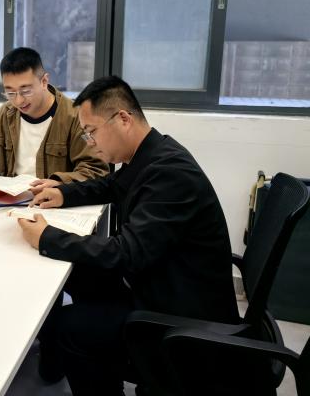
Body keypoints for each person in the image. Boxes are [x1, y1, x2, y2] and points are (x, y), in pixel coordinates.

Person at [17, 75, 238, 396]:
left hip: (179, 314)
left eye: (91, 132)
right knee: (79, 275)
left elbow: (127, 252)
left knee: (70, 327)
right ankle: (65, 360)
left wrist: (47, 237)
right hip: (160, 280)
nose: (89, 143)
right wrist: (64, 192)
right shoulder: (152, 153)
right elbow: (112, 185)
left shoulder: (170, 174)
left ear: (123, 119)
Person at [0, 47, 107, 186]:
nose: (18, 101)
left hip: (52, 200)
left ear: (44, 81)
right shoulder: (5, 114)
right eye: (10, 93)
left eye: (26, 91)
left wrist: (58, 183)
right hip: (10, 198)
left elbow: (94, 169)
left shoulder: (75, 118)